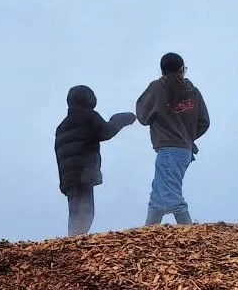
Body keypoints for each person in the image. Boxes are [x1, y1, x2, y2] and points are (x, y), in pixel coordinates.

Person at [135, 52, 211, 226]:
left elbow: (142, 117)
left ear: (162, 71)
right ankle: (147, 236)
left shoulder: (157, 87)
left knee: (171, 196)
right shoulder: (193, 92)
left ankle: (190, 236)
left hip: (169, 149)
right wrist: (186, 137)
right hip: (184, 150)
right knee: (158, 197)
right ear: (181, 70)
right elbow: (204, 122)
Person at [54, 85, 137, 236]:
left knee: (75, 214)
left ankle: (72, 242)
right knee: (86, 213)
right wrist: (121, 119)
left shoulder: (61, 127)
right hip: (83, 175)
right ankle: (76, 244)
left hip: (68, 179)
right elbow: (106, 132)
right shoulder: (88, 116)